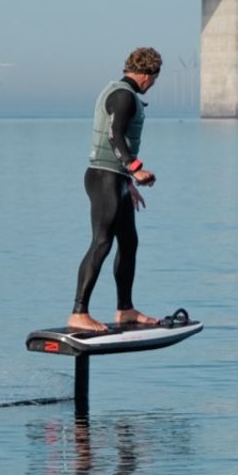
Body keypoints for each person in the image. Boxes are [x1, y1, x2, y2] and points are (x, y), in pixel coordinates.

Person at [69, 47, 162, 333]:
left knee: (129, 242)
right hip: (103, 178)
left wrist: (128, 182)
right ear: (147, 75)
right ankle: (79, 313)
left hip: (116, 178)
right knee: (101, 242)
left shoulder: (124, 93)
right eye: (155, 78)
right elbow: (114, 135)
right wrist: (134, 168)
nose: (153, 84)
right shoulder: (122, 95)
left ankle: (125, 309)